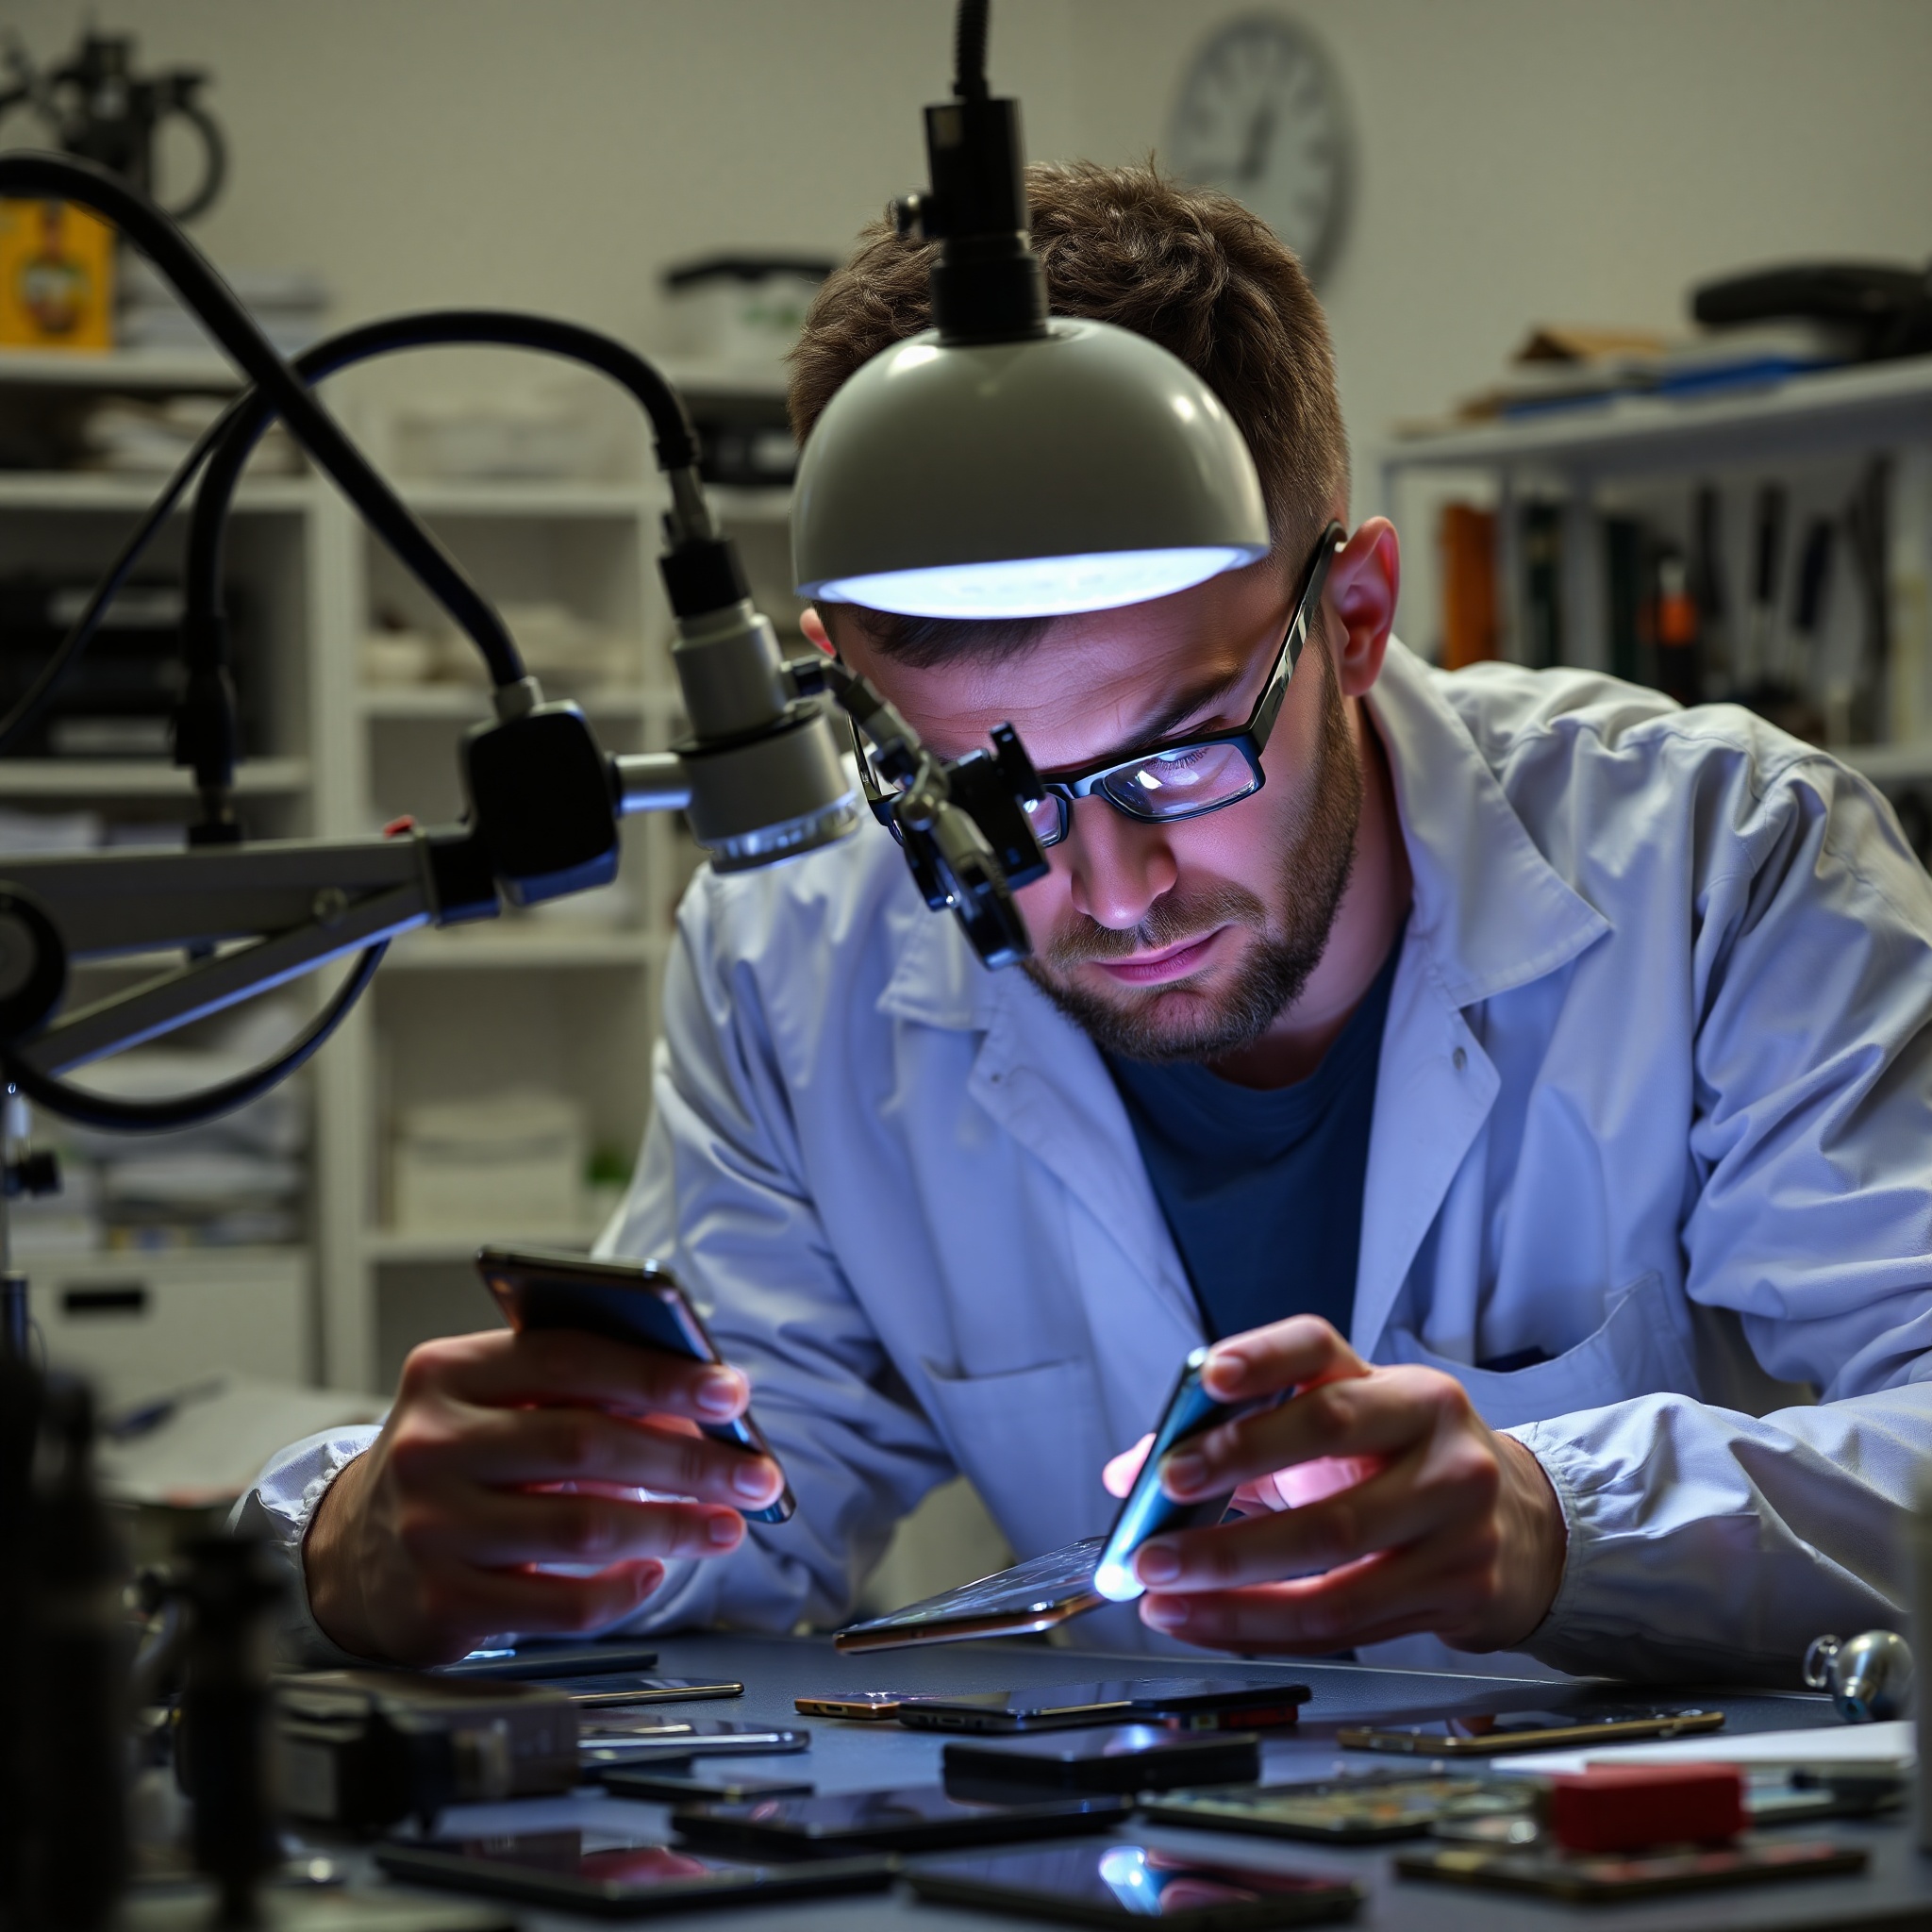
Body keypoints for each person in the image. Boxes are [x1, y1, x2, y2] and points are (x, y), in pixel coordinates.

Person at [245, 162, 1932, 1683]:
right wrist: (395, 1543)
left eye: (1183, 755)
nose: (1107, 891)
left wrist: (1556, 1520)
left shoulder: (1728, 857)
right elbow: (729, 1526)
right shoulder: (794, 959)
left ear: (1351, 618)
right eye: (987, 798)